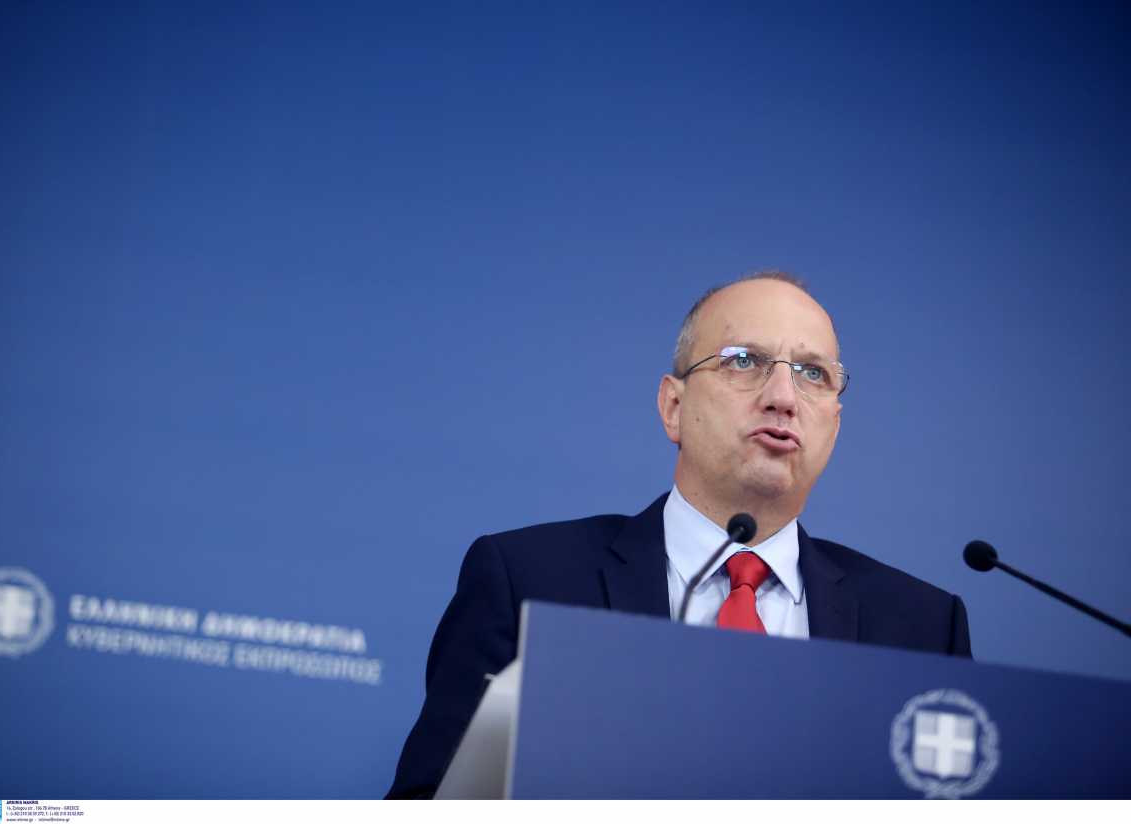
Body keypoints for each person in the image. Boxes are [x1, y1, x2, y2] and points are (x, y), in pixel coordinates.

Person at [386, 271, 971, 799]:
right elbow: (428, 800)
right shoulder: (528, 582)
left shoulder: (922, 629)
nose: (783, 397)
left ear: (834, 428)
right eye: (744, 361)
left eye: (812, 374)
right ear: (673, 406)